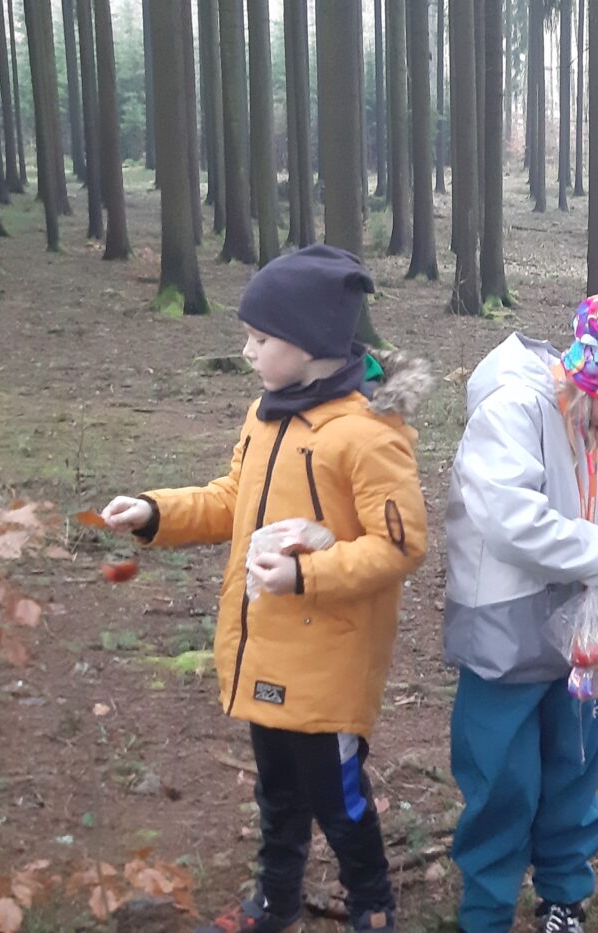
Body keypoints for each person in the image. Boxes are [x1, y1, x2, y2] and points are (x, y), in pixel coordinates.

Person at [100, 245, 433, 933]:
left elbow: (400, 545)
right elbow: (233, 499)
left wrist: (306, 573)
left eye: (259, 338)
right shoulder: (266, 414)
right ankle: (275, 903)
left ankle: (372, 907)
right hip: (264, 646)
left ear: (308, 344)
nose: (247, 351)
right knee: (278, 794)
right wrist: (155, 511)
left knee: (339, 799)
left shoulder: (368, 435)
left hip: (329, 660)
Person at [442, 290, 598, 933]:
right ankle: (487, 912)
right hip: (504, 629)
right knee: (501, 779)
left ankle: (563, 898)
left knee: (576, 762)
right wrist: (597, 552)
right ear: (597, 377)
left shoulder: (582, 410)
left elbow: (574, 495)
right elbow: (513, 519)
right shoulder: (513, 408)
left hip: (571, 631)